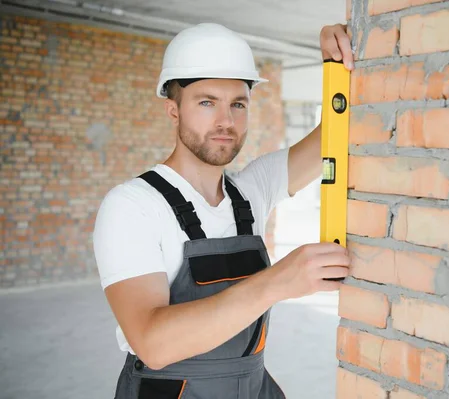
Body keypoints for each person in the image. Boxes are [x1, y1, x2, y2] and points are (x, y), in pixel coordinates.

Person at [92, 21, 355, 399]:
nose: (225, 121)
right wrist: (278, 281)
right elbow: (153, 344)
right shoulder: (133, 205)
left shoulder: (250, 191)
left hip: (253, 387)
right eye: (206, 102)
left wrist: (337, 63)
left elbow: (339, 129)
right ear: (173, 110)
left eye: (238, 104)